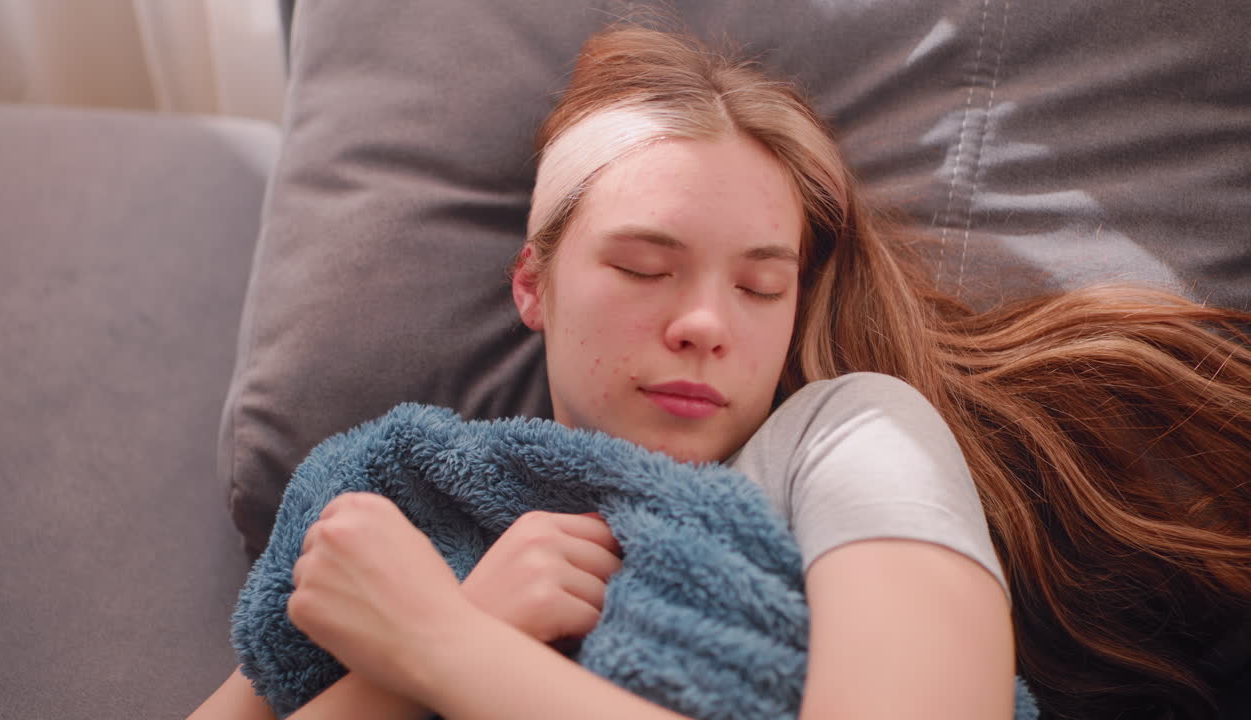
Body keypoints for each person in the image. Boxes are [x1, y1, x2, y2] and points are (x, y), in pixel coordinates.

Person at [192, 25, 1251, 720]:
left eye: (758, 287)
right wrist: (425, 645)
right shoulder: (407, 489)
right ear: (533, 282)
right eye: (643, 267)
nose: (704, 323)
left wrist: (439, 646)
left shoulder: (844, 438)